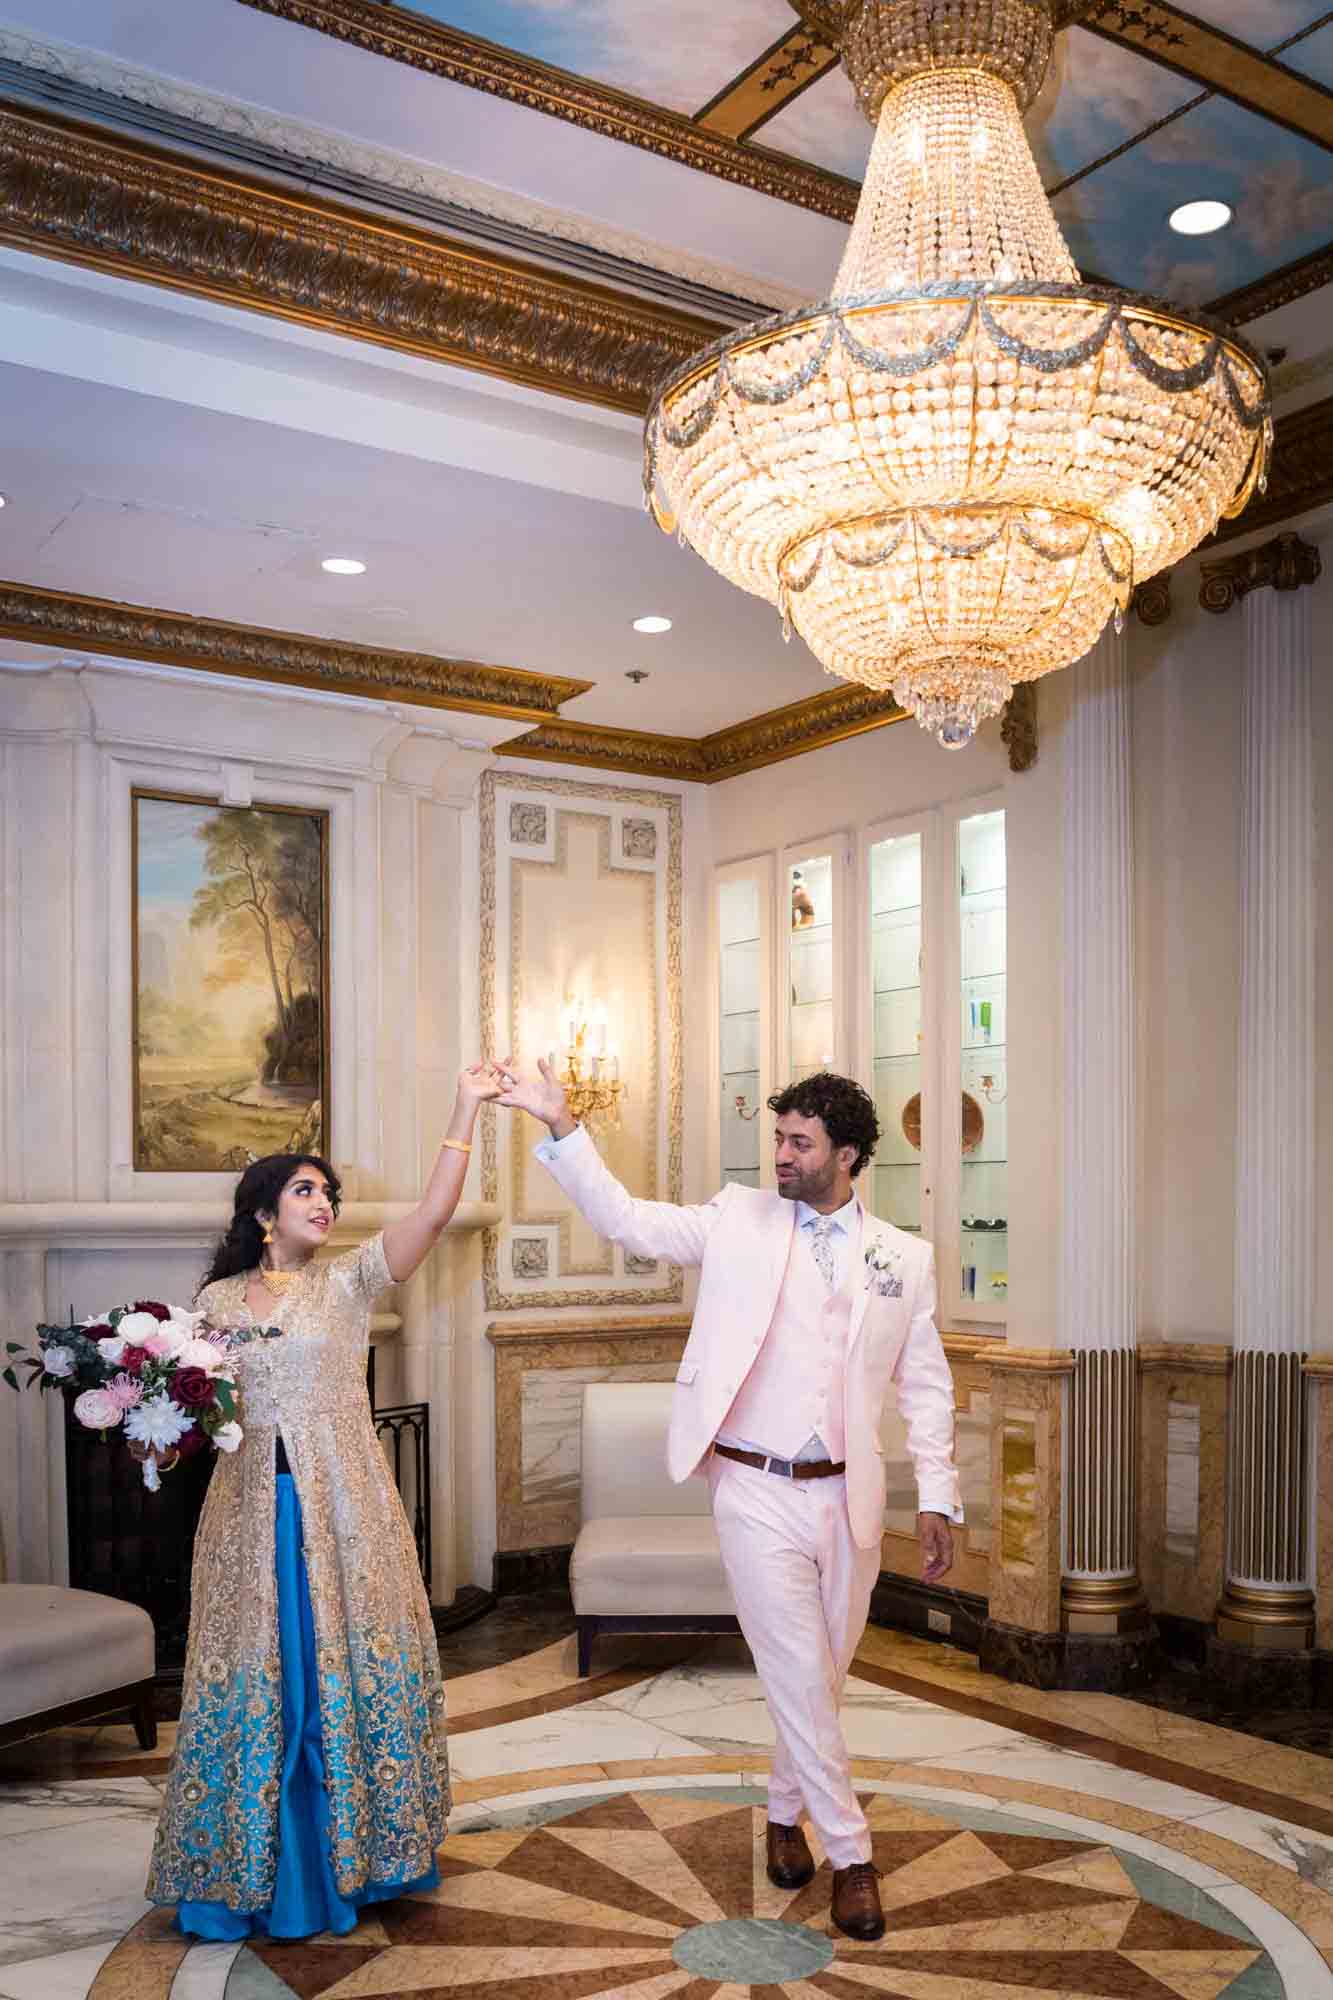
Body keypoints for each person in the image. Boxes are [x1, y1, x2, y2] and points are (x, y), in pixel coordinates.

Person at [496, 1061, 961, 1943]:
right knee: (792, 1663)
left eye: (799, 1143)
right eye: (777, 1138)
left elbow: (925, 1385)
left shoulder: (904, 1259)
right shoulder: (735, 1218)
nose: (780, 1154)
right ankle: (852, 1856)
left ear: (847, 1155)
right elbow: (626, 1219)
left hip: (847, 1492)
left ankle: (784, 1810)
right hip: (751, 1483)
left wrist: (937, 1496)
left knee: (818, 1673)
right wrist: (560, 1125)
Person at [147, 1063, 505, 1941]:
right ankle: (252, 1870)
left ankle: (359, 1855)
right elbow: (204, 1415)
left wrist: (463, 1105)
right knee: (265, 1683)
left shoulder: (347, 1283)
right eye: (306, 1190)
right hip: (245, 1517)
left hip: (343, 1512)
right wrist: (152, 1425)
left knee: (336, 1674)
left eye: (330, 1192)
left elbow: (432, 1213)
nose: (325, 1203)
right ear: (264, 1214)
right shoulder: (214, 1303)